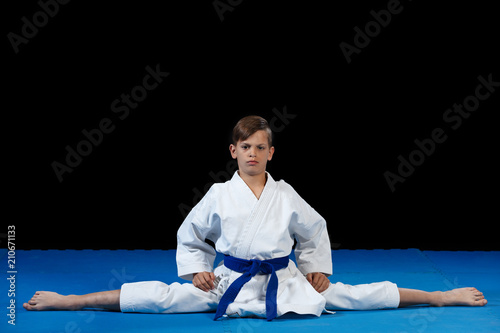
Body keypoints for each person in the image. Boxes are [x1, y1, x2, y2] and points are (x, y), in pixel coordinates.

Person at [23, 116, 487, 319]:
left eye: (260, 147)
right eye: (244, 147)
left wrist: (316, 269)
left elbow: (315, 230)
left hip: (284, 280)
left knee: (353, 295)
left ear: (270, 152)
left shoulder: (285, 194)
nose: (252, 153)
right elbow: (190, 235)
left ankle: (441, 296)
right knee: (162, 296)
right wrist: (199, 271)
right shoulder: (219, 194)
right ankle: (71, 300)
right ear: (233, 151)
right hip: (230, 280)